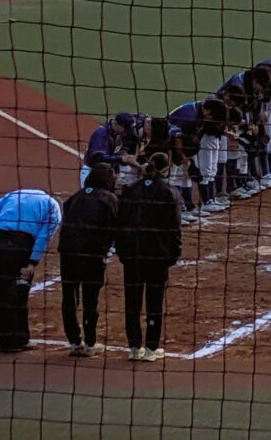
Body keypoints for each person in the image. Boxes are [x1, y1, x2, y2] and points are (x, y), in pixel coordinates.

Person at [118, 153, 183, 362]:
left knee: (132, 301)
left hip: (132, 255)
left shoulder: (129, 191)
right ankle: (150, 349)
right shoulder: (168, 192)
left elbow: (119, 225)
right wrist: (173, 254)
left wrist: (122, 252)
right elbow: (174, 228)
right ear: (165, 169)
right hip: (157, 256)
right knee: (154, 302)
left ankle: (134, 347)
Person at [0, 187, 62, 353]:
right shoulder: (53, 207)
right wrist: (32, 262)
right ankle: (18, 340)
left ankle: (4, 341)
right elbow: (43, 237)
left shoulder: (14, 194)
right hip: (20, 245)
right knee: (18, 290)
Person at [59, 163, 120, 357]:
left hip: (67, 251)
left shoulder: (76, 196)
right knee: (90, 298)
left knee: (69, 296)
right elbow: (116, 227)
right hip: (92, 254)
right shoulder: (109, 199)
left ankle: (74, 342)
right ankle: (89, 343)